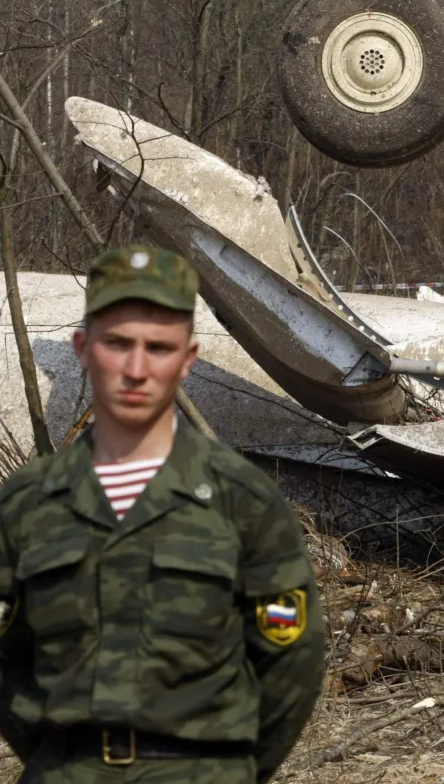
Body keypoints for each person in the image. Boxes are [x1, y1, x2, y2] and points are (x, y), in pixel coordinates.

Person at [0, 245, 325, 784]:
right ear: (82, 348)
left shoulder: (242, 503)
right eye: (117, 344)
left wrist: (230, 767)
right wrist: (57, 757)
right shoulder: (27, 505)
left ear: (188, 359)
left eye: (158, 348)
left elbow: (292, 659)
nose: (136, 369)